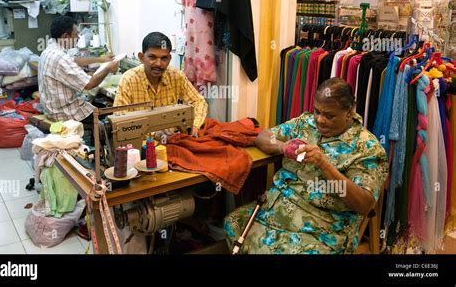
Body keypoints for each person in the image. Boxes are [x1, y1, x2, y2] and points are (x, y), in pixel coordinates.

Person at [224, 77, 388, 254]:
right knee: (233, 223)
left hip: (321, 226)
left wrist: (324, 165)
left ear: (349, 112)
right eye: (317, 111)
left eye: (329, 115)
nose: (320, 120)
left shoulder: (367, 148)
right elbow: (262, 137)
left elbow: (364, 204)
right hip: (276, 207)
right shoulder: (305, 123)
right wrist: (282, 147)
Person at [114, 32, 208, 137]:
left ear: (170, 58)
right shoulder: (129, 81)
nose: (159, 64)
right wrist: (154, 133)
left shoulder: (176, 76)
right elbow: (120, 123)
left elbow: (199, 101)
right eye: (152, 57)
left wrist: (195, 125)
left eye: (164, 58)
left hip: (172, 141)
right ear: (141, 57)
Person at [38, 16, 119, 124]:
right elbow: (89, 84)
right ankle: (100, 138)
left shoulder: (50, 50)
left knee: (99, 105)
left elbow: (74, 60)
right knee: (112, 113)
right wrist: (108, 68)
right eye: (76, 34)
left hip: (51, 109)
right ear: (66, 36)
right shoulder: (61, 58)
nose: (78, 37)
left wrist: (100, 59)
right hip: (66, 113)